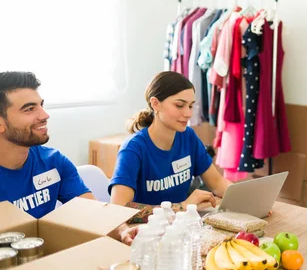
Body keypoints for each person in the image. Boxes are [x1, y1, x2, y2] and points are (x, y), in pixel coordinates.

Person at [0, 72, 137, 244]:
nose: (44, 115)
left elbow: (93, 212)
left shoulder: (54, 162)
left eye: (41, 105)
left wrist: (124, 231)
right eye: (29, 109)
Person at [109, 71, 232, 222]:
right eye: (179, 105)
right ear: (155, 104)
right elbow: (118, 208)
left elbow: (218, 183)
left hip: (180, 227)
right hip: (145, 234)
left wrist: (250, 200)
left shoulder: (189, 137)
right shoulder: (133, 149)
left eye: (191, 106)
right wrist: (182, 206)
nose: (188, 114)